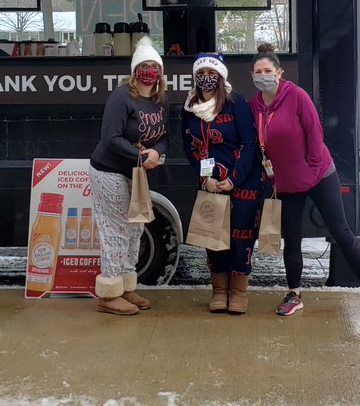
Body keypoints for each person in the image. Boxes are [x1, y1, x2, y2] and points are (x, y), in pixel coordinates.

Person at [249, 43, 360, 319]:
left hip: (318, 175)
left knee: (341, 232)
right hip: (286, 182)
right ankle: (294, 294)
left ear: (279, 73)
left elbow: (315, 136)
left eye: (268, 70)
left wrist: (311, 173)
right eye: (257, 72)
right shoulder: (254, 106)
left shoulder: (296, 96)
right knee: (292, 239)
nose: (263, 75)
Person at [88, 36, 168, 315]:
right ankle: (109, 293)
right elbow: (109, 138)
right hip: (109, 171)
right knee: (115, 230)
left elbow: (163, 137)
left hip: (136, 174)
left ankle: (126, 287)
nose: (150, 72)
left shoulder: (158, 100)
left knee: (135, 228)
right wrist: (142, 157)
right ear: (135, 71)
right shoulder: (121, 96)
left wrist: (157, 152)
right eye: (144, 67)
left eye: (154, 67)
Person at [181, 52, 261, 314]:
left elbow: (250, 144)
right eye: (201, 74)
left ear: (221, 76)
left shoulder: (236, 104)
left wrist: (233, 179)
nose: (206, 78)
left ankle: (238, 292)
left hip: (242, 183)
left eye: (212, 74)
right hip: (210, 184)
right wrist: (205, 179)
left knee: (240, 238)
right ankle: (218, 291)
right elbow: (189, 147)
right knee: (213, 238)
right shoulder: (189, 107)